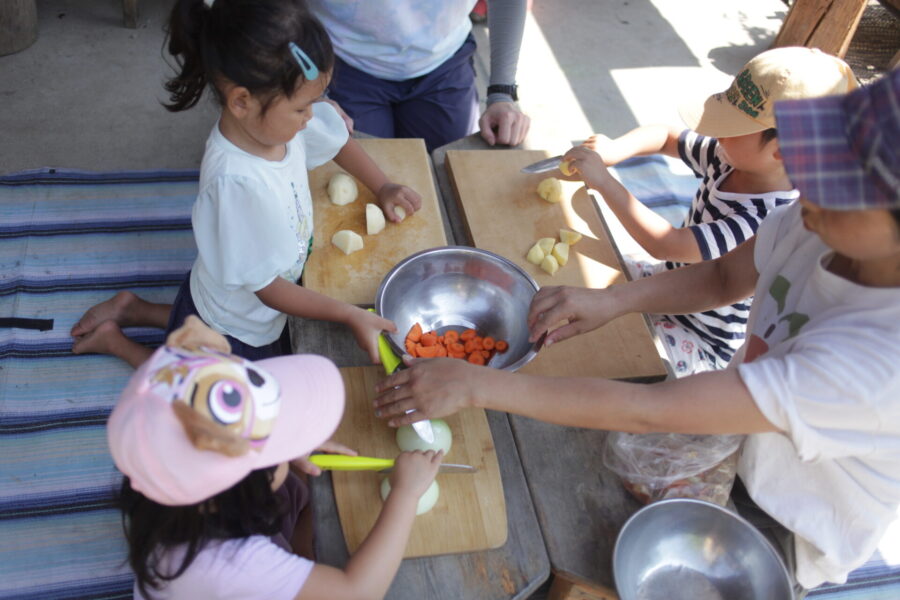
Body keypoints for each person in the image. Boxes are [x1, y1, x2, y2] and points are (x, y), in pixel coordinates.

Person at [371, 69, 900, 592]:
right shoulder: (814, 221)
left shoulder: (878, 363)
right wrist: (613, 301)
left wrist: (474, 384)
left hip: (789, 524)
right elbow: (722, 275)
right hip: (738, 443)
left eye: (848, 177)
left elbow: (647, 410)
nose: (814, 174)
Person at [71, 0, 421, 366]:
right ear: (242, 101)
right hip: (238, 320)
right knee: (211, 396)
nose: (312, 116)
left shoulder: (280, 121)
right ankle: (116, 342)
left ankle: (134, 309)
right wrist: (348, 312)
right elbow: (268, 290)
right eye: (303, 108)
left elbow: (337, 141)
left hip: (247, 300)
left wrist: (382, 186)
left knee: (198, 325)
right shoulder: (236, 184)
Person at [561, 47, 857, 375]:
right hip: (663, 280)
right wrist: (616, 150)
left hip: (700, 335)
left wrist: (605, 182)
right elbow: (666, 137)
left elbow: (667, 243)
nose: (715, 133)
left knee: (608, 357)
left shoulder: (767, 217)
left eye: (731, 127)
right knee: (575, 289)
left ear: (781, 151)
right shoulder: (729, 155)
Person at [111, 315, 443, 600]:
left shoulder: (162, 488)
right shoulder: (232, 565)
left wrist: (286, 447)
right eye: (277, 452)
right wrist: (405, 494)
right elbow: (357, 593)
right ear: (249, 488)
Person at [306, 0, 530, 152]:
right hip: (341, 60)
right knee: (356, 174)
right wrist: (307, 88)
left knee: (449, 166)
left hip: (444, 61)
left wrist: (502, 93)